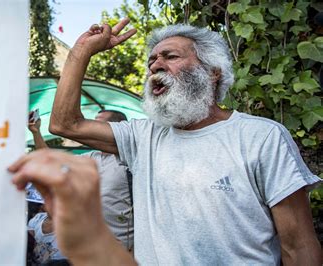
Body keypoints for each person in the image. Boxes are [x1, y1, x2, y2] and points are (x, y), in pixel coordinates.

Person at [42, 18, 322, 265]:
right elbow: (65, 124)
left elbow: (298, 247)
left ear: (213, 72)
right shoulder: (144, 138)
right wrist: (81, 51)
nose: (155, 66)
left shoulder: (261, 137)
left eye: (170, 56)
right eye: (151, 61)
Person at [27, 110, 134, 251]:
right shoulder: (89, 158)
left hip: (119, 249)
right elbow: (51, 162)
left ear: (116, 128)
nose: (91, 126)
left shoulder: (132, 161)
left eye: (98, 123)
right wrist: (36, 132)